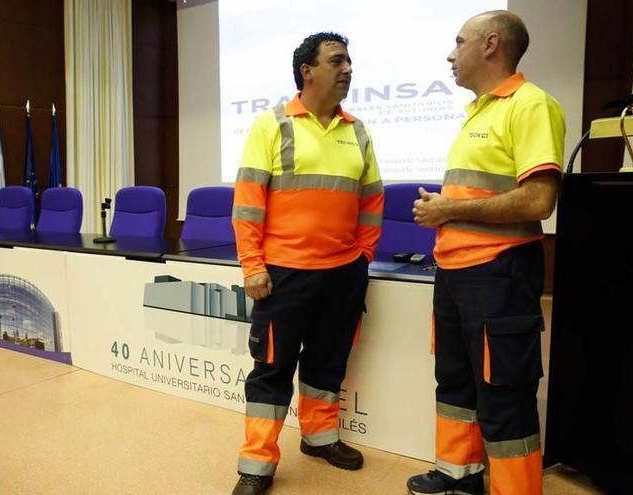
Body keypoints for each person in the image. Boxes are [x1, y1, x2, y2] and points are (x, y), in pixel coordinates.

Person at [407, 10, 565, 495]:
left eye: (459, 42)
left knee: (504, 393)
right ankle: (459, 476)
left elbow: (539, 200)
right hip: (455, 271)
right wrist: (447, 214)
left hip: (499, 273)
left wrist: (448, 212)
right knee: (455, 382)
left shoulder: (530, 104)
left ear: (491, 44)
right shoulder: (478, 110)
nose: (451, 54)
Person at [230, 32, 384, 495]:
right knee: (272, 368)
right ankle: (257, 463)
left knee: (328, 363)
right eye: (337, 61)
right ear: (307, 72)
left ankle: (319, 438)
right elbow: (248, 204)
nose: (348, 69)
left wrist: (363, 257)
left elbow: (372, 201)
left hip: (343, 274)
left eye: (350, 61)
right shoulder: (271, 126)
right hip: (284, 274)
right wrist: (252, 265)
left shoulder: (358, 130)